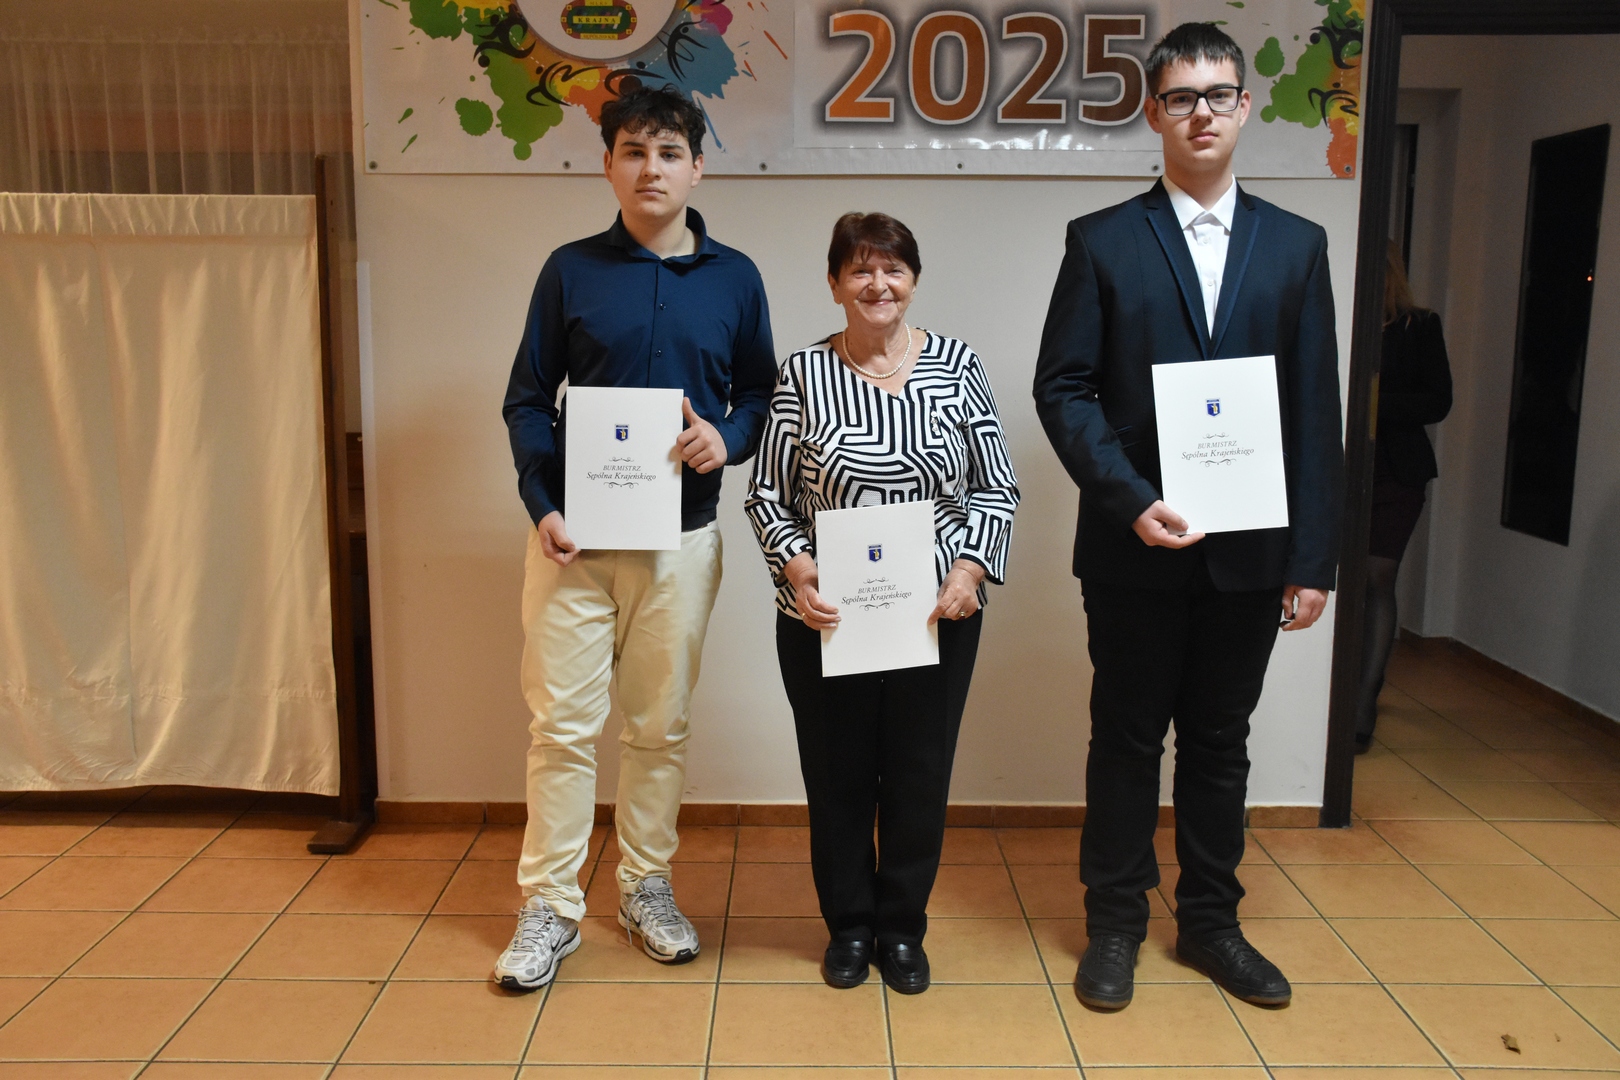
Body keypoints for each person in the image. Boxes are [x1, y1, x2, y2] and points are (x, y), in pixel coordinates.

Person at [1032, 22, 1342, 1011]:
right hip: (1133, 550)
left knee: (1219, 742)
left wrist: (1314, 558)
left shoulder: (1297, 246)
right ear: (1153, 112)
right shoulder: (1102, 240)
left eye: (1217, 95)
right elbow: (1062, 388)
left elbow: (1315, 409)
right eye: (1180, 97)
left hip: (1251, 555)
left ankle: (1211, 924)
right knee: (1126, 740)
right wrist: (1131, 500)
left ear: (1244, 107)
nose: (1199, 113)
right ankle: (1115, 924)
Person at [496, 84, 776, 991]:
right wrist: (542, 503)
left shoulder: (736, 278)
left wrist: (726, 439)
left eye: (669, 153)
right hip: (572, 543)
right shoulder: (569, 270)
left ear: (698, 167)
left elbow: (760, 394)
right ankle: (549, 905)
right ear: (608, 164)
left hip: (681, 542)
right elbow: (528, 399)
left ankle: (645, 887)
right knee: (562, 729)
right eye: (634, 152)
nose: (651, 169)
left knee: (659, 727)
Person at [745, 212, 1020, 995]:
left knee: (917, 775)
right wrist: (799, 570)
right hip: (827, 621)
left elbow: (996, 486)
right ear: (835, 284)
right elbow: (766, 494)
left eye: (893, 268)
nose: (878, 284)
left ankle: (901, 928)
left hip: (937, 615)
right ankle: (849, 927)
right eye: (860, 270)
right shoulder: (803, 373)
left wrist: (969, 571)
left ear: (914, 280)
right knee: (837, 776)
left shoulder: (958, 365)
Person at [1355, 240, 1453, 751]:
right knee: (1336, 581)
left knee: (1378, 578)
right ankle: (1332, 694)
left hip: (1398, 471)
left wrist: (1370, 403)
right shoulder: (1335, 318)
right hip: (1341, 469)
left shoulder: (1421, 326)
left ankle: (1363, 701)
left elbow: (1438, 401)